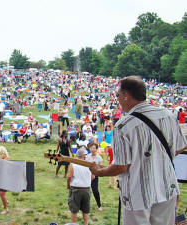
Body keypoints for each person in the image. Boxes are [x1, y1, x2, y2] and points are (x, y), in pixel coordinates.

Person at [90, 76, 187, 225]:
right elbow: (181, 147)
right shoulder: (168, 116)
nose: (117, 99)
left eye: (117, 95)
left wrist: (99, 171)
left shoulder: (123, 126)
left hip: (138, 194)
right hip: (167, 186)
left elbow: (121, 166)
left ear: (126, 96)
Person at [67, 149, 92, 225]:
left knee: (74, 210)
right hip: (86, 189)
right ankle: (85, 224)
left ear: (77, 156)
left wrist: (68, 185)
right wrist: (85, 180)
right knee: (85, 210)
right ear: (84, 156)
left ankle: (74, 224)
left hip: (76, 189)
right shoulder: (89, 165)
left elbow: (69, 177)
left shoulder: (73, 165)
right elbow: (93, 177)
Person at [85, 143, 103, 211]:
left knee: (95, 190)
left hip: (95, 176)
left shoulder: (99, 157)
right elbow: (85, 166)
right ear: (90, 149)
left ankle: (99, 205)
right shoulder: (87, 157)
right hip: (87, 175)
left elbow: (100, 168)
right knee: (86, 190)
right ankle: (86, 205)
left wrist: (95, 173)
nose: (93, 149)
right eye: (92, 148)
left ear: (96, 149)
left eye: (94, 148)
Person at [0, 146, 10, 215]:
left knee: (2, 194)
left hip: (5, 179)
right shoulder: (4, 159)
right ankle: (6, 202)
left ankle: (6, 209)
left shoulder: (5, 160)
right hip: (2, 178)